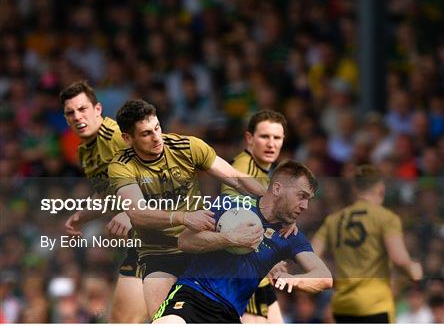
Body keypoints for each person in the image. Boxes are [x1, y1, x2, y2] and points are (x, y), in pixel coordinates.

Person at [108, 99, 266, 317]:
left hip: (201, 242)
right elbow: (138, 213)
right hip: (159, 253)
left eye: (157, 128)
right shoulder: (121, 166)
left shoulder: (187, 146)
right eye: (146, 134)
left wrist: (271, 204)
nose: (156, 138)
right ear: (127, 138)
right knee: (162, 319)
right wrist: (183, 217)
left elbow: (237, 180)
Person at [152, 161, 333, 324]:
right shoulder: (230, 204)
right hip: (192, 295)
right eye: (301, 196)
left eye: (308, 199)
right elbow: (184, 241)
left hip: (228, 314)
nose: (305, 206)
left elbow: (325, 277)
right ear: (277, 189)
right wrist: (230, 239)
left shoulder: (290, 236)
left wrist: (293, 280)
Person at [60, 80, 148, 323]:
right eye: (70, 112)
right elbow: (109, 195)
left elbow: (158, 177)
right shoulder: (84, 152)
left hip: (170, 234)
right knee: (125, 319)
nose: (77, 116)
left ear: (97, 109)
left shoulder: (118, 137)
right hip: (144, 242)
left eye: (82, 109)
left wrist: (131, 212)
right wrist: (80, 217)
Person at [312, 164, 423, 323]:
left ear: (355, 189)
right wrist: (413, 270)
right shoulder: (386, 218)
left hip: (343, 304)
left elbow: (310, 254)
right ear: (381, 189)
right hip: (374, 304)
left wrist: (330, 276)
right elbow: (399, 259)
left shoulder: (333, 220)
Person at [221, 110, 286, 323]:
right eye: (264, 136)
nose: (271, 144)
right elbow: (234, 221)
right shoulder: (243, 168)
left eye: (277, 138)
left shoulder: (264, 170)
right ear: (249, 138)